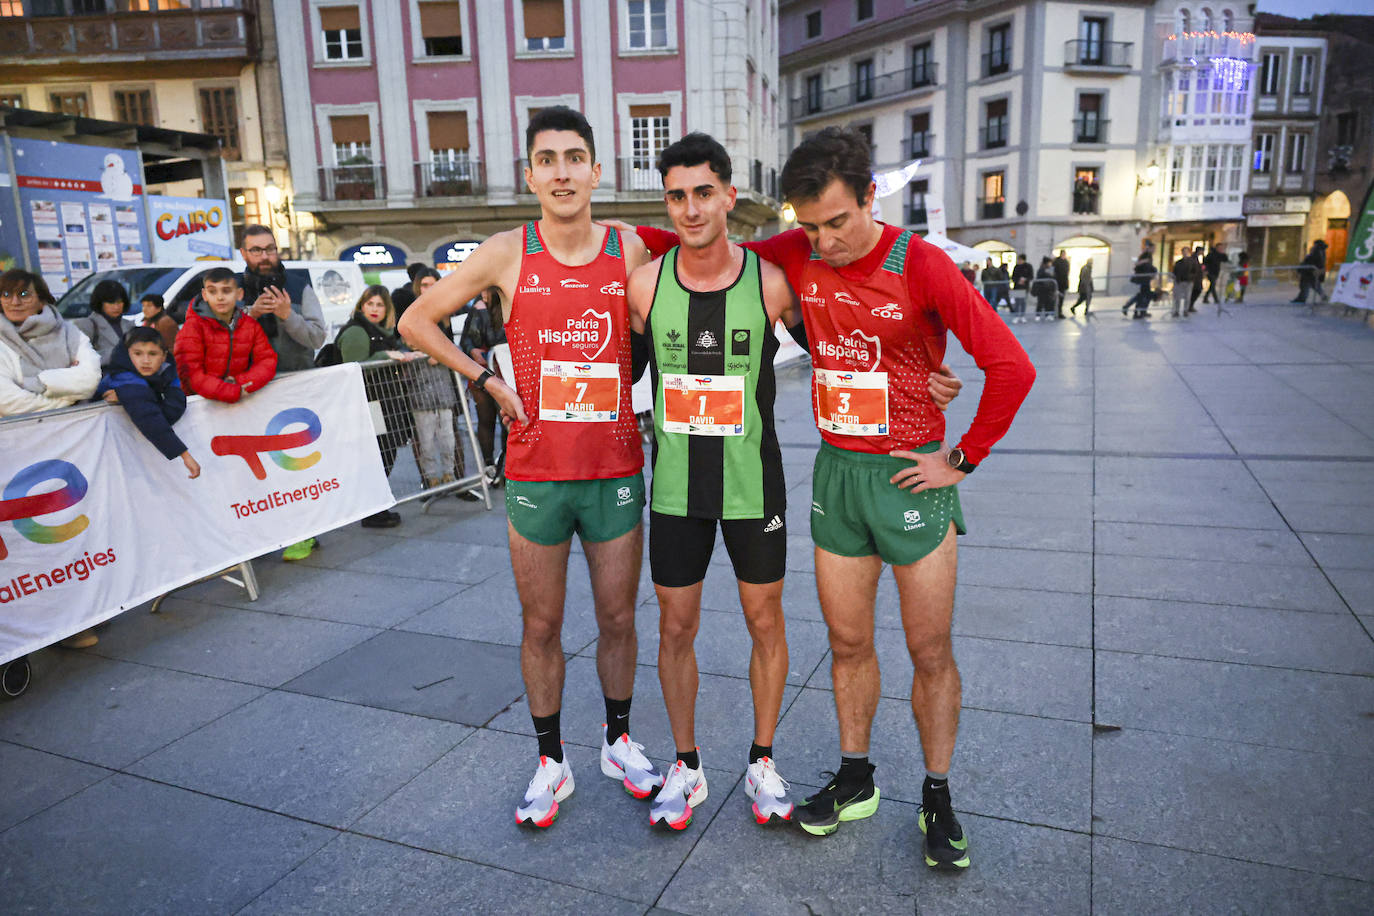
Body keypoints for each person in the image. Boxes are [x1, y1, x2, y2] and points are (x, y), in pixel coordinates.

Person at [636, 127, 1034, 868]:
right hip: (838, 478)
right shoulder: (797, 254)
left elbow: (1012, 367)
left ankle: (938, 794)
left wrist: (962, 458)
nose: (823, 241)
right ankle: (857, 779)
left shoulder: (925, 265)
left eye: (837, 222)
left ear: (870, 197)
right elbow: (698, 233)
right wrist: (596, 229)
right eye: (808, 224)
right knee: (847, 645)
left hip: (909, 479)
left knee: (929, 649)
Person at [398, 106, 664, 829]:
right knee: (540, 623)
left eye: (574, 157)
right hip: (538, 472)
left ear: (596, 170)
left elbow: (686, 316)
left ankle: (616, 741)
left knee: (617, 618)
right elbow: (415, 321)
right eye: (547, 160)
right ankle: (551, 761)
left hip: (613, 468)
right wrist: (484, 378)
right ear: (530, 175)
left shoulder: (631, 248)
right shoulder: (506, 252)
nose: (562, 172)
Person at [621, 133, 805, 830]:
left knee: (765, 621)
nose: (691, 209)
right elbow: (613, 372)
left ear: (730, 196)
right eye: (676, 196)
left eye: (704, 193)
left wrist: (922, 378)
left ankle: (762, 760)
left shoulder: (771, 283)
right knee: (676, 627)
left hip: (754, 486)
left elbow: (845, 345)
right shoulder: (646, 285)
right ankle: (687, 765)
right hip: (674, 492)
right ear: (665, 203)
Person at [0, 269, 101, 648]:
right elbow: (4, 400)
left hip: (71, 450)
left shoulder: (70, 331)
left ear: (41, 297)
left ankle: (80, 617)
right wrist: (61, 392)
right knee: (32, 548)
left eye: (23, 293)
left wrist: (38, 383)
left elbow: (89, 380)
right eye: (6, 294)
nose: (13, 301)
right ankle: (45, 627)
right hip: (19, 457)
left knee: (73, 534)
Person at [335, 285, 421, 528]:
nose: (374, 309)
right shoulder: (356, 331)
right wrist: (387, 356)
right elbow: (355, 367)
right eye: (370, 304)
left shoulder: (378, 331)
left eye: (379, 305)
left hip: (381, 401)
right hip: (369, 403)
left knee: (385, 451)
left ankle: (377, 505)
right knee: (380, 453)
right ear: (361, 305)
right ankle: (372, 509)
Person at [97, 326, 199, 479]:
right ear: (127, 353)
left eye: (152, 354)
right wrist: (183, 454)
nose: (145, 360)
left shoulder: (168, 371)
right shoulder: (123, 378)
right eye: (137, 354)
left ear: (164, 356)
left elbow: (174, 406)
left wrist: (149, 400)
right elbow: (148, 416)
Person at [173, 267, 277, 402]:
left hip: (239, 400)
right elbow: (190, 375)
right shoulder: (193, 328)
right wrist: (228, 391)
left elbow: (267, 361)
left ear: (239, 294)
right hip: (200, 407)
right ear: (204, 295)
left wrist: (240, 383)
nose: (220, 297)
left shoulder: (250, 326)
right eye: (212, 291)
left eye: (226, 291)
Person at [459, 286, 507, 486]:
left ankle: (505, 466)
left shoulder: (506, 307)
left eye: (489, 291)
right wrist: (473, 351)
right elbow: (466, 340)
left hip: (504, 370)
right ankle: (489, 465)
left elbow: (501, 339)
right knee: (485, 419)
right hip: (481, 372)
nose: (484, 295)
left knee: (506, 419)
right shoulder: (477, 308)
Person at [75, 278, 135, 368]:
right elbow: (79, 358)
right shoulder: (86, 325)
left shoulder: (130, 325)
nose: (116, 307)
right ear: (100, 303)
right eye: (111, 302)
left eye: (119, 302)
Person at [1125, 252, 1158, 319]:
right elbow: (1136, 267)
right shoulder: (1142, 263)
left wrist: (1153, 273)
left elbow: (1152, 269)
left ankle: (1139, 311)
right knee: (1141, 297)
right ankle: (1136, 311)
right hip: (1142, 282)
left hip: (1146, 281)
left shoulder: (1148, 263)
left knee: (1142, 296)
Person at [1171, 248, 1198, 319]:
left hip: (1188, 282)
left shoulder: (1192, 262)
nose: (1185, 253)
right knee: (1177, 297)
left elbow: (1195, 272)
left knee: (1187, 297)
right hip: (1179, 282)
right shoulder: (1178, 262)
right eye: (1183, 252)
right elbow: (1174, 272)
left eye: (1186, 252)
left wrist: (1191, 278)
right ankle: (1176, 310)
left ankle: (1185, 310)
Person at [1010, 254, 1033, 324]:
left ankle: (1022, 316)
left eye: (1020, 259)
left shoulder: (1028, 266)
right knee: (1017, 302)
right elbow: (1013, 277)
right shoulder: (1016, 267)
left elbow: (1031, 276)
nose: (1019, 261)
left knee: (1023, 302)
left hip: (1025, 287)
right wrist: (1018, 281)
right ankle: (1016, 316)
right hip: (1017, 287)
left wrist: (1025, 280)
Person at [1032, 256, 1056, 320]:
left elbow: (1052, 277)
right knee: (1041, 302)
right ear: (1047, 263)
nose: (1050, 264)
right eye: (1049, 263)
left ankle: (1047, 315)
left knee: (1047, 302)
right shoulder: (1041, 269)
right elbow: (1041, 277)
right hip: (1042, 289)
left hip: (1048, 289)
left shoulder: (1049, 269)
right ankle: (1038, 315)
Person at [1186, 247, 1205, 313]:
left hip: (1197, 278)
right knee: (1196, 291)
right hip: (1195, 278)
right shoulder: (1193, 258)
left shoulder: (1196, 258)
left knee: (1196, 291)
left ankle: (1190, 306)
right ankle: (1189, 306)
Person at [1052, 249, 1070, 318]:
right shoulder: (1056, 261)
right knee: (1055, 298)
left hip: (1063, 283)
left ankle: (1059, 312)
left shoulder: (1066, 262)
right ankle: (1054, 312)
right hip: (1057, 283)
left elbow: (1067, 273)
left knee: (1061, 299)